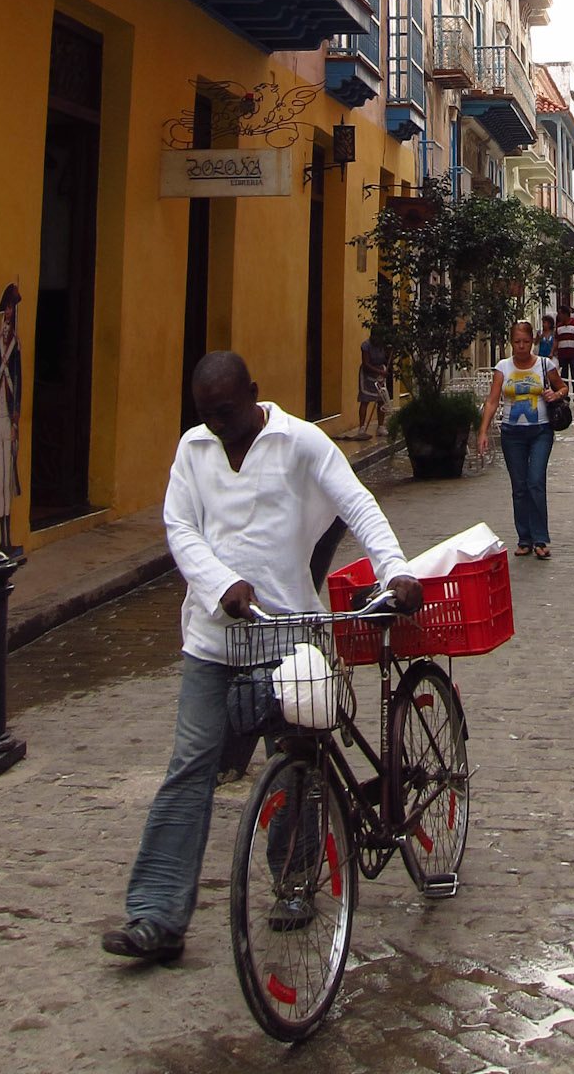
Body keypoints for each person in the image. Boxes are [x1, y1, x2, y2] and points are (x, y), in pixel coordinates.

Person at [101, 351, 422, 965]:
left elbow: (357, 505)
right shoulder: (193, 451)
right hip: (213, 638)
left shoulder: (300, 442)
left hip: (289, 634)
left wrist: (396, 571)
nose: (217, 425)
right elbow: (180, 529)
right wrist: (220, 583)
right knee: (189, 768)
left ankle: (296, 883)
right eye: (206, 415)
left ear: (253, 393)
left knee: (297, 760)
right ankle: (157, 915)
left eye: (225, 412)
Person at [478, 319, 569, 560]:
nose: (521, 347)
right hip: (512, 433)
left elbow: (563, 388)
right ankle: (524, 538)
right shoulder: (503, 368)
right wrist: (483, 431)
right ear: (511, 342)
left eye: (526, 342)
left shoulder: (544, 364)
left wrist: (554, 393)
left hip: (541, 430)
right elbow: (492, 400)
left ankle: (540, 538)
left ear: (533, 341)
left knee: (536, 481)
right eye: (517, 342)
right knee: (519, 487)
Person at [0, 283, 23, 560]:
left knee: (8, 479)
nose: (10, 313)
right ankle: (1, 536)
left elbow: (19, 382)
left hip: (8, 415)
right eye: (8, 308)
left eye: (12, 308)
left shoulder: (14, 344)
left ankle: (7, 536)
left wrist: (16, 418)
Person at [355, 334, 390, 439]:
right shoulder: (366, 346)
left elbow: (386, 357)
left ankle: (380, 427)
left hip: (380, 373)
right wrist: (379, 371)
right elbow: (366, 363)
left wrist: (390, 351)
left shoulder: (382, 345)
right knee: (365, 400)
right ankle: (362, 427)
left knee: (381, 400)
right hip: (367, 374)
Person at [553, 306, 574, 385]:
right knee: (564, 375)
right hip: (562, 354)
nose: (559, 316)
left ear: (565, 314)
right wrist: (552, 351)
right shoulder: (559, 327)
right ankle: (565, 393)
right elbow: (556, 340)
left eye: (560, 314)